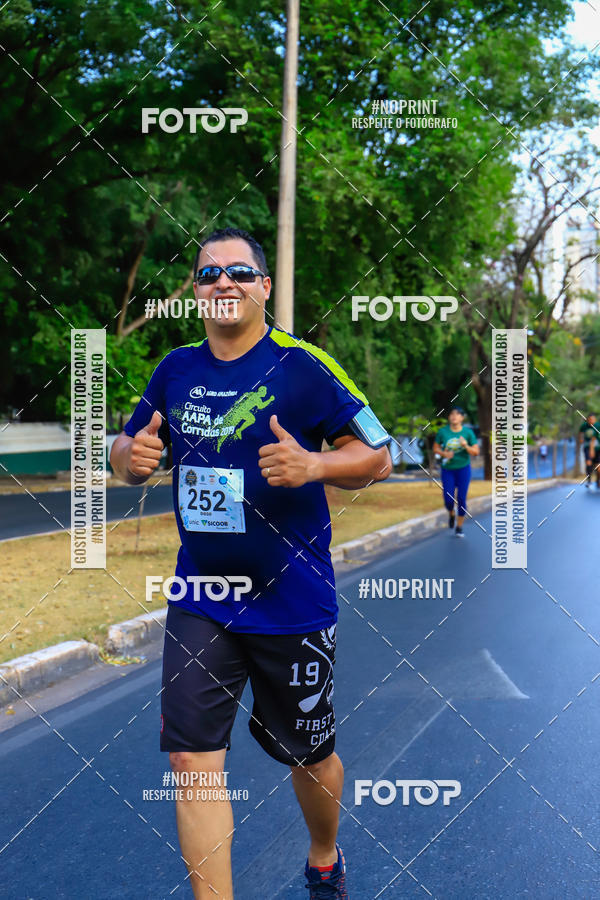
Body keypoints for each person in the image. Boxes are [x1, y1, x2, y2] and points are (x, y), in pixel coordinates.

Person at [110, 227, 392, 900]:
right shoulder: (175, 370)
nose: (223, 283)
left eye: (239, 272)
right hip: (203, 596)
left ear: (265, 286)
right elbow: (127, 444)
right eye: (209, 276)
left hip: (292, 600)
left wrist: (316, 464)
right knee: (190, 761)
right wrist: (127, 461)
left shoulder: (303, 366)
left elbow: (381, 455)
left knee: (310, 755)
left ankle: (324, 851)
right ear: (198, 293)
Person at [432, 406, 479, 537]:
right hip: (448, 470)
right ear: (449, 417)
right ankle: (451, 513)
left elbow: (475, 452)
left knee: (462, 498)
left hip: (463, 469)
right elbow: (435, 448)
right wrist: (443, 453)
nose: (454, 416)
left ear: (462, 418)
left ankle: (459, 526)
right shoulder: (443, 432)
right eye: (452, 414)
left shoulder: (468, 433)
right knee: (448, 499)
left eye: (458, 414)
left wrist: (465, 445)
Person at [577, 413, 599, 488]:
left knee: (598, 467)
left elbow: (594, 439)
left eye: (593, 419)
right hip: (587, 446)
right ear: (587, 420)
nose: (591, 421)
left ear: (595, 420)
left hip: (597, 448)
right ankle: (589, 481)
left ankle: (597, 480)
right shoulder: (584, 426)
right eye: (590, 420)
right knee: (588, 463)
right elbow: (580, 432)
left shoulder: (597, 426)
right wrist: (581, 439)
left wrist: (592, 449)